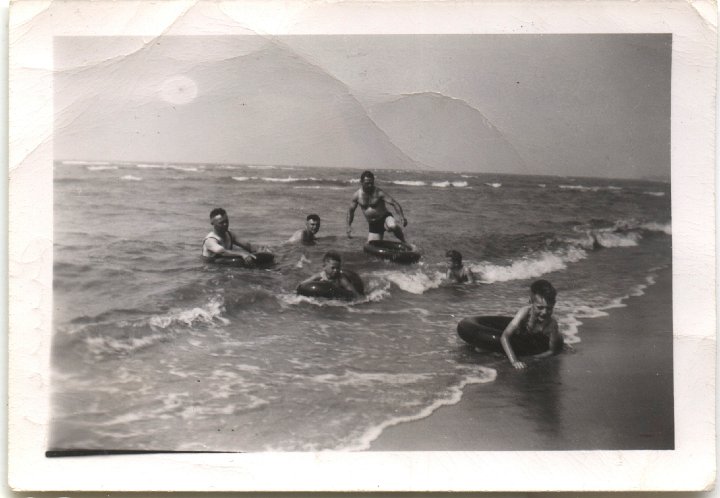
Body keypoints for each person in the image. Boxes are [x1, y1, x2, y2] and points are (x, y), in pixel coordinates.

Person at [500, 279, 564, 370]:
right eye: (540, 307)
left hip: (537, 343)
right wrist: (514, 361)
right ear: (531, 302)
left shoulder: (551, 324)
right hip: (523, 337)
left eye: (549, 308)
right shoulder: (525, 313)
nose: (544, 312)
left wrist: (533, 358)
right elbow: (505, 336)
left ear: (554, 304)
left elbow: (552, 351)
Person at [347, 170, 413, 248]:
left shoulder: (379, 192)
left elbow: (394, 203)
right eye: (367, 183)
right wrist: (349, 226)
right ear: (361, 182)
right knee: (371, 246)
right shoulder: (357, 196)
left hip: (385, 218)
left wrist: (402, 217)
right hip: (374, 224)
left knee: (392, 226)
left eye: (371, 183)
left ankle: (404, 242)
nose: (370, 185)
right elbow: (351, 211)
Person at [202, 208, 268, 263]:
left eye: (226, 221)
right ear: (212, 223)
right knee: (238, 261)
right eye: (221, 223)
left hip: (224, 263)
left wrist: (260, 250)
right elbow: (222, 252)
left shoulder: (230, 234)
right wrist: (242, 254)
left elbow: (247, 245)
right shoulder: (210, 240)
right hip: (211, 268)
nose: (225, 224)